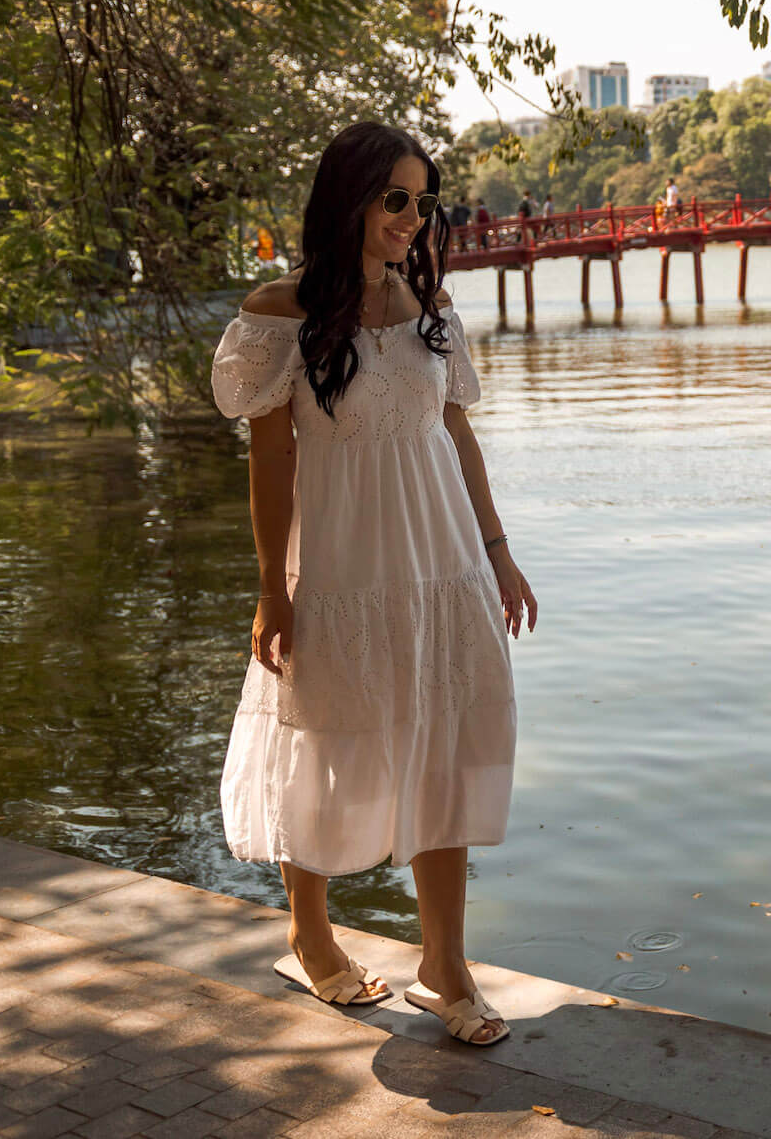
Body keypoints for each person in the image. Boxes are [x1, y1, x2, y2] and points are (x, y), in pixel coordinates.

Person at [210, 121, 537, 1046]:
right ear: (348, 195)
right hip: (343, 562)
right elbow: (270, 463)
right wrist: (274, 588)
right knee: (323, 736)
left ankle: (444, 963)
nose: (411, 217)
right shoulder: (281, 311)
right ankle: (310, 935)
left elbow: (458, 434)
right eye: (396, 197)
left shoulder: (429, 300)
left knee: (446, 735)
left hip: (444, 562)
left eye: (423, 200)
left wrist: (500, 549)